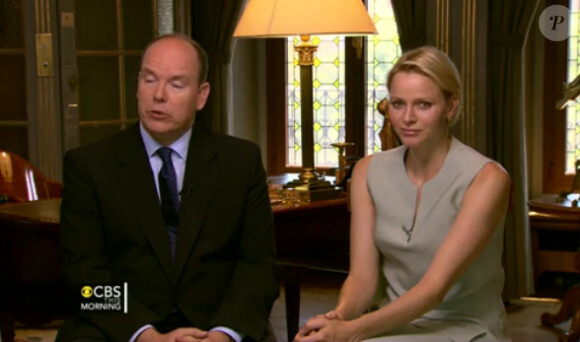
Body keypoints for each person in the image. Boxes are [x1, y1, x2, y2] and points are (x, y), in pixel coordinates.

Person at [56, 34, 279, 342]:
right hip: (120, 327)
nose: (158, 95)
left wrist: (224, 334)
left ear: (201, 96)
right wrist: (145, 335)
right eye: (149, 80)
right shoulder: (89, 166)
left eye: (176, 85)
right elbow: (84, 276)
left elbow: (258, 267)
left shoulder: (240, 162)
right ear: (137, 86)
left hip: (215, 323)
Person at [296, 46, 512, 342]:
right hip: (387, 326)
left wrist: (350, 332)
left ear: (450, 107)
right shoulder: (367, 172)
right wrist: (339, 316)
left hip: (465, 328)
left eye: (423, 104)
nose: (407, 117)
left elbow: (434, 290)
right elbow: (362, 278)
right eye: (398, 104)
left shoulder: (488, 179)